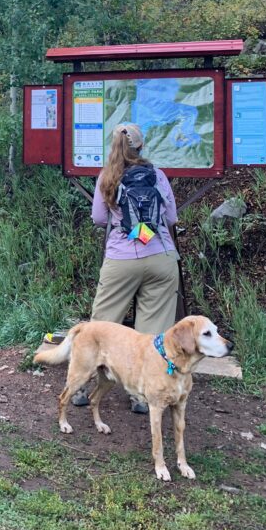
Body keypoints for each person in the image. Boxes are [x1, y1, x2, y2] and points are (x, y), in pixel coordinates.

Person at [77, 122, 180, 413]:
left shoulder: (107, 176)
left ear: (113, 146)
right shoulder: (157, 175)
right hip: (160, 256)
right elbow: (170, 217)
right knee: (153, 333)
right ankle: (142, 396)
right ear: (141, 146)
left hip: (120, 259)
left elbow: (98, 218)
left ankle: (83, 388)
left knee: (101, 327)